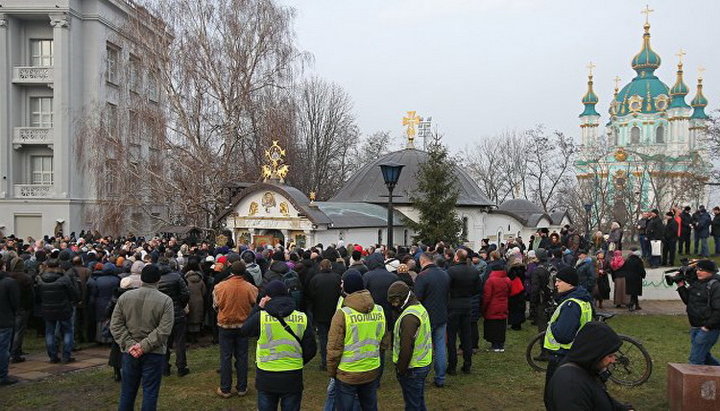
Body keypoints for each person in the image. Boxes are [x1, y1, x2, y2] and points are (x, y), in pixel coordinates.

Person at [240, 280, 316, 411]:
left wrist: (258, 307)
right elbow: (311, 349)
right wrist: (298, 361)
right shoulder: (302, 317)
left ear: (268, 297)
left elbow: (245, 330)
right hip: (292, 374)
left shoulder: (261, 317)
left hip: (266, 374)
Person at [110, 264, 175, 411]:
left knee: (127, 392)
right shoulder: (165, 300)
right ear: (158, 279)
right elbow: (164, 330)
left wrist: (135, 345)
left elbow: (115, 325)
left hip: (132, 351)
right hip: (150, 351)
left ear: (141, 278)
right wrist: (137, 345)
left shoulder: (125, 297)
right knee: (150, 393)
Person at [326, 271, 388, 410]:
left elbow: (334, 348)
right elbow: (384, 341)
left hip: (347, 372)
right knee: (369, 406)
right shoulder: (379, 310)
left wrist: (332, 372)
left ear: (346, 289)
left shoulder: (342, 314)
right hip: (371, 369)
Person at [546, 321, 633, 411]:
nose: (613, 360)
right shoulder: (571, 385)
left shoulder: (587, 369)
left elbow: (600, 400)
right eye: (609, 356)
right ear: (594, 353)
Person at [542, 267, 593, 408]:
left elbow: (564, 335)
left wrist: (552, 325)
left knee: (553, 398)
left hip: (562, 355)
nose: (556, 284)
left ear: (570, 283)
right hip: (573, 354)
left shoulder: (571, 304)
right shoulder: (582, 299)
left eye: (559, 281)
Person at [213, 260, 258, 398]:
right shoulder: (251, 288)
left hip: (225, 325)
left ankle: (225, 389)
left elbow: (215, 306)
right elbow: (255, 304)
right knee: (242, 356)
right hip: (243, 326)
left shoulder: (219, 287)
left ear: (231, 270)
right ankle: (242, 388)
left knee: (226, 357)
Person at [388, 281, 432, 411]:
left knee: (412, 404)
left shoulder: (409, 318)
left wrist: (401, 369)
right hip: (422, 363)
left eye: (394, 301)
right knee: (417, 401)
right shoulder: (417, 307)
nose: (392, 305)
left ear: (401, 299)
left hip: (412, 368)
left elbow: (406, 347)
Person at [414, 252, 450, 387]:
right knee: (440, 347)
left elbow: (417, 298)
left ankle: (421, 375)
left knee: (424, 347)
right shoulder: (444, 274)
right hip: (441, 314)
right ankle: (440, 377)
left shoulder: (422, 277)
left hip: (426, 316)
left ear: (422, 261)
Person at [676, 259, 720, 365]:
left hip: (708, 329)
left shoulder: (715, 285)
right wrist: (681, 286)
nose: (698, 272)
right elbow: (689, 301)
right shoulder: (697, 283)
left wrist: (707, 327)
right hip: (696, 326)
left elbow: (718, 310)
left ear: (710, 271)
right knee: (705, 357)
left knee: (695, 360)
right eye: (697, 269)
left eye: (702, 270)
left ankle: (693, 381)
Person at [36, 258, 79, 363]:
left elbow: (37, 295)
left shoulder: (40, 279)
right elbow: (73, 293)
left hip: (48, 308)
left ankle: (53, 356)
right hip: (63, 308)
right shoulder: (64, 278)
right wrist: (74, 300)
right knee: (68, 331)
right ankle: (66, 356)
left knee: (49, 332)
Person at [446, 248, 479, 374]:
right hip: (467, 304)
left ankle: (452, 365)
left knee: (452, 337)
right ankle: (467, 364)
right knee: (466, 336)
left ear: (457, 258)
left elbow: (447, 287)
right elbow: (478, 288)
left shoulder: (451, 271)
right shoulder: (473, 271)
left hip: (453, 305)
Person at [157, 257, 191, 377]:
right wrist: (181, 305)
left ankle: (164, 367)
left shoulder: (157, 279)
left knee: (164, 342)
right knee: (180, 342)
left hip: (163, 314)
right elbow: (185, 293)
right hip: (177, 313)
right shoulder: (176, 277)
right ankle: (181, 366)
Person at [306, 259, 341, 370]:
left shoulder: (315, 279)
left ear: (321, 267)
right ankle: (335, 360)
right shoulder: (337, 278)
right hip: (335, 312)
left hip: (320, 312)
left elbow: (310, 296)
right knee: (336, 338)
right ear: (330, 266)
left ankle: (325, 362)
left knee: (323, 338)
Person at [481, 263, 511, 352]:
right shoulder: (507, 279)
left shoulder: (490, 280)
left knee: (493, 325)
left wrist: (483, 307)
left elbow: (487, 296)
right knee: (501, 325)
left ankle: (494, 345)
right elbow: (509, 292)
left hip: (492, 306)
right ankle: (501, 344)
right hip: (503, 305)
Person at [0, 257, 20, 385]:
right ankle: (2, 375)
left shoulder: (8, 282)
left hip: (5, 318)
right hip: (5, 319)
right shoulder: (8, 282)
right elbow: (15, 302)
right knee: (3, 349)